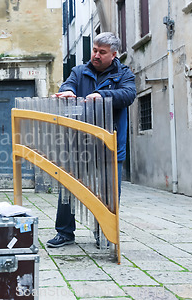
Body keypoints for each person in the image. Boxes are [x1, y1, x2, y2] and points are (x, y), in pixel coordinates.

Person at [47, 32, 136, 248]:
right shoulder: (79, 71)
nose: (95, 55)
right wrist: (67, 92)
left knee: (109, 193)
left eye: (101, 52)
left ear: (114, 55)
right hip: (80, 145)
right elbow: (67, 85)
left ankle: (104, 232)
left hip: (110, 146)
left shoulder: (124, 74)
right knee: (68, 188)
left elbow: (128, 95)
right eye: (94, 50)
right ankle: (65, 232)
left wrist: (103, 96)